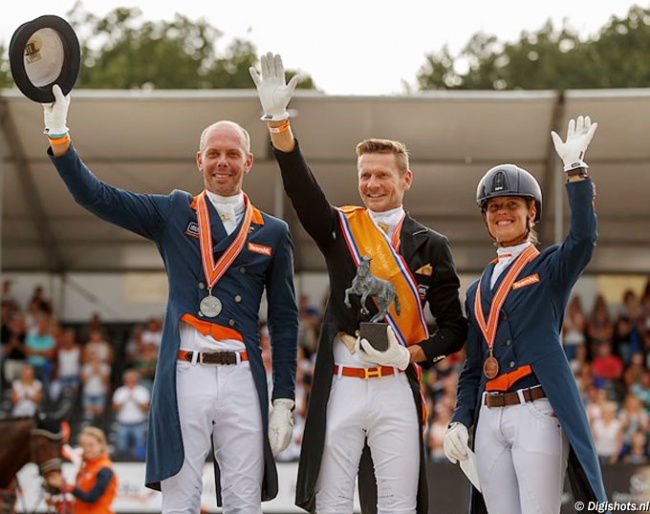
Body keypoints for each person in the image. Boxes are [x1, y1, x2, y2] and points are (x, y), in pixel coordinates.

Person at [43, 84, 299, 514]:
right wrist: (58, 134)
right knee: (179, 500)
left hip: (241, 375)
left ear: (248, 162)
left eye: (232, 153)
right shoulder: (173, 212)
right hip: (186, 372)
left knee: (244, 503)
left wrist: (284, 399)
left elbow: (286, 320)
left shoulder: (272, 231)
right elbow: (97, 196)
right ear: (199, 160)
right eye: (213, 153)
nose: (222, 161)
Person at [250, 53, 467, 514]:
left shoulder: (432, 245)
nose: (371, 183)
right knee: (331, 501)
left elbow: (455, 328)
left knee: (398, 503)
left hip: (395, 383)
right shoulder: (339, 228)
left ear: (405, 179)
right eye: (364, 175)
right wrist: (279, 128)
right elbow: (304, 192)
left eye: (382, 175)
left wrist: (409, 354)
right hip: (342, 383)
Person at [443, 116, 608, 513]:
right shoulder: (478, 289)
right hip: (489, 416)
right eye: (494, 207)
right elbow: (473, 367)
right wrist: (459, 419)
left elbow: (584, 239)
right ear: (485, 217)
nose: (503, 213)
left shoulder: (549, 267)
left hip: (536, 411)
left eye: (512, 205)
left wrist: (576, 174)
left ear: (531, 212)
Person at [49, 426, 118, 513]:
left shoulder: (104, 469)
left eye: (91, 445)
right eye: (83, 445)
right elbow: (80, 502)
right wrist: (57, 504)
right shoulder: (84, 468)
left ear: (101, 445)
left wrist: (65, 486)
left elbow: (91, 498)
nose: (86, 449)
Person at [112, 369, 150, 460]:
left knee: (140, 446)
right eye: (128, 378)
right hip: (123, 424)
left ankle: (140, 464)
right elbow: (114, 408)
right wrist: (125, 398)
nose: (130, 380)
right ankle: (123, 462)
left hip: (138, 424)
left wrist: (135, 398)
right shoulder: (120, 391)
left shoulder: (142, 391)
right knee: (122, 447)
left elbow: (146, 408)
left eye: (132, 378)